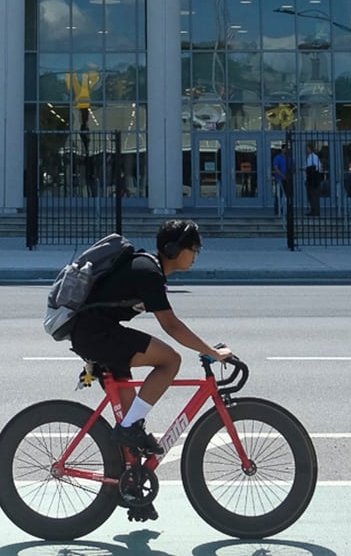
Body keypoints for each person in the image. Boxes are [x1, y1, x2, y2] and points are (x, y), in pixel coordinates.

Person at [65, 218, 231, 520]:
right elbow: (171, 325)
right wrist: (211, 353)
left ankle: (134, 492)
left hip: (98, 333)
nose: (196, 254)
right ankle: (129, 430)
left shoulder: (150, 270)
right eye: (193, 248)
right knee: (170, 360)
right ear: (173, 249)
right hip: (96, 334)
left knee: (132, 423)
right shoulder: (148, 271)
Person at [269, 143, 291, 211]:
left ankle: (287, 209)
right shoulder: (278, 158)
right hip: (279, 180)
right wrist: (283, 176)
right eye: (285, 148)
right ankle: (277, 209)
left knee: (288, 194)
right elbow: (276, 168)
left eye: (287, 149)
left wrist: (290, 174)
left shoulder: (289, 158)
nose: (286, 150)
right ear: (282, 149)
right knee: (279, 195)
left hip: (288, 179)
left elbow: (293, 167)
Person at [304, 144, 324, 216]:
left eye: (307, 148)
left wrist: (306, 168)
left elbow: (316, 167)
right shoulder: (310, 157)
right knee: (311, 195)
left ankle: (315, 211)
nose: (306, 150)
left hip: (313, 179)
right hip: (311, 179)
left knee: (314, 195)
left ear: (310, 149)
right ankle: (313, 210)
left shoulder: (313, 157)